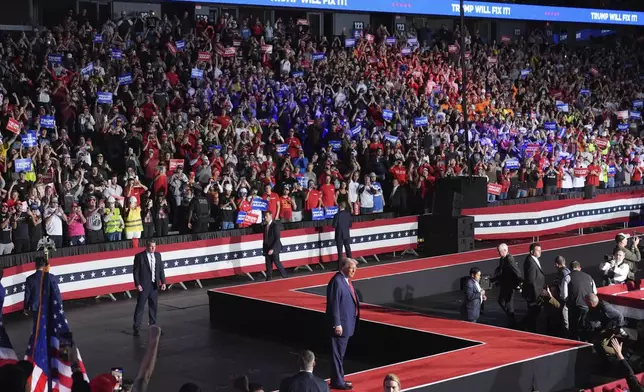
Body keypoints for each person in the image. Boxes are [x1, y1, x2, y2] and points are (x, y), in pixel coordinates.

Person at [326, 258, 359, 390]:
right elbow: (334, 304)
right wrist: (337, 324)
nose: (354, 271)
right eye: (352, 268)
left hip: (347, 323)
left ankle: (338, 379)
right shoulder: (337, 282)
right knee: (337, 354)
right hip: (340, 326)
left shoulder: (344, 281)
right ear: (343, 267)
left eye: (355, 269)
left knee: (339, 354)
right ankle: (338, 382)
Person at [132, 240, 166, 337]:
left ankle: (153, 325)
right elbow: (136, 271)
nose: (153, 248)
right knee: (140, 307)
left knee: (153, 306)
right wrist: (137, 284)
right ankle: (136, 328)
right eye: (151, 247)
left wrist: (163, 282)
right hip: (143, 286)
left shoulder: (158, 255)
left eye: (154, 247)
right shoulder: (139, 256)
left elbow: (160, 269)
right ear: (147, 246)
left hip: (154, 285)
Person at [566, 261, 597, 340]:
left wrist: (568, 302)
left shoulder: (567, 277)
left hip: (574, 305)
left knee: (574, 326)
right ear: (580, 268)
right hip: (588, 305)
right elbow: (595, 292)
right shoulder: (589, 277)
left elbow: (564, 295)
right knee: (585, 324)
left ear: (570, 269)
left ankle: (575, 341)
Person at [494, 243, 522, 326]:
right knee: (502, 302)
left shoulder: (509, 259)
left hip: (509, 286)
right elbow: (502, 271)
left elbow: (517, 272)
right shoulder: (502, 259)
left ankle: (513, 322)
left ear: (505, 251)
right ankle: (511, 319)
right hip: (505, 284)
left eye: (499, 252)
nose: (498, 253)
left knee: (508, 304)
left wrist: (519, 285)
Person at [522, 242, 545, 332]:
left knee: (534, 313)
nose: (540, 252)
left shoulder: (533, 259)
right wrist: (536, 296)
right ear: (532, 251)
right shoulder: (530, 262)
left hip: (536, 293)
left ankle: (527, 327)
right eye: (538, 250)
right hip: (534, 295)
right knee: (533, 313)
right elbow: (531, 281)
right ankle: (529, 329)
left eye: (540, 250)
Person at [263, 210, 286, 281]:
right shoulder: (265, 226)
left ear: (271, 216)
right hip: (267, 246)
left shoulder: (275, 225)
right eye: (265, 216)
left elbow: (277, 238)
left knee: (277, 262)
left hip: (274, 247)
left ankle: (285, 276)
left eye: (267, 216)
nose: (265, 217)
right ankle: (268, 278)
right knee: (268, 264)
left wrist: (273, 249)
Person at [553, 256, 571, 333]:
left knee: (565, 318)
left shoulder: (563, 273)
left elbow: (562, 285)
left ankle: (566, 332)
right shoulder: (566, 271)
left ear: (557, 264)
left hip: (563, 300)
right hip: (562, 299)